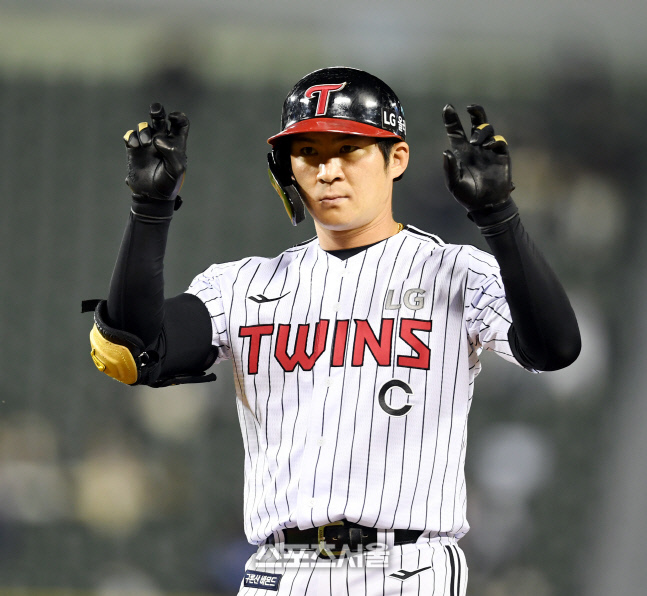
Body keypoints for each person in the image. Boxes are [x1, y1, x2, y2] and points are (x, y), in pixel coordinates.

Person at [86, 66, 581, 595]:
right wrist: (150, 211)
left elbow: (553, 349)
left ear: (396, 158)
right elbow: (132, 353)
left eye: (349, 150)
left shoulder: (455, 271)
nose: (328, 171)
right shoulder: (241, 286)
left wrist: (500, 218)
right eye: (309, 153)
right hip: (279, 571)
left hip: (407, 567)